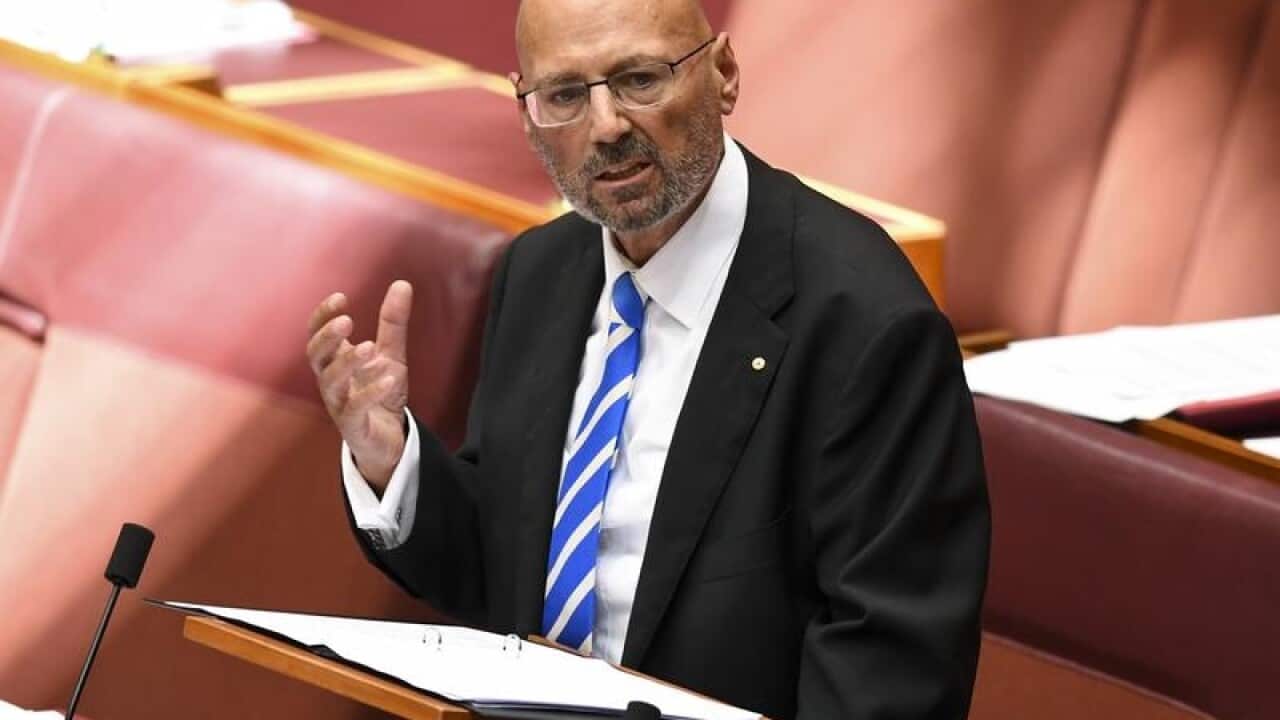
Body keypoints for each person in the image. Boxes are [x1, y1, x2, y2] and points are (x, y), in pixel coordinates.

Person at [305, 0, 990, 717]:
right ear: (526, 111)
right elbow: (501, 581)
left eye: (639, 79)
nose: (605, 127)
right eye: (565, 95)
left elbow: (889, 677)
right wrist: (392, 463)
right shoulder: (539, 272)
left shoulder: (866, 325)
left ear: (723, 74)